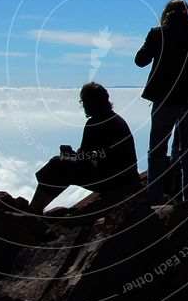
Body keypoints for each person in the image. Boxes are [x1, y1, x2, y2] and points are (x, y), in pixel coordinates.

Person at [135, 0, 188, 205]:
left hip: (163, 99)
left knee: (156, 154)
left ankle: (154, 202)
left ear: (167, 13)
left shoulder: (157, 33)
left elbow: (140, 60)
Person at [30, 83, 139, 213]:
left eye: (84, 101)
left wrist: (69, 156)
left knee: (57, 164)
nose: (84, 106)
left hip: (113, 182)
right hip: (125, 179)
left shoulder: (95, 122)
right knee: (60, 165)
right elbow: (95, 155)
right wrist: (73, 156)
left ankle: (33, 209)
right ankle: (36, 208)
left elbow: (85, 159)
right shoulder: (115, 119)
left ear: (91, 102)